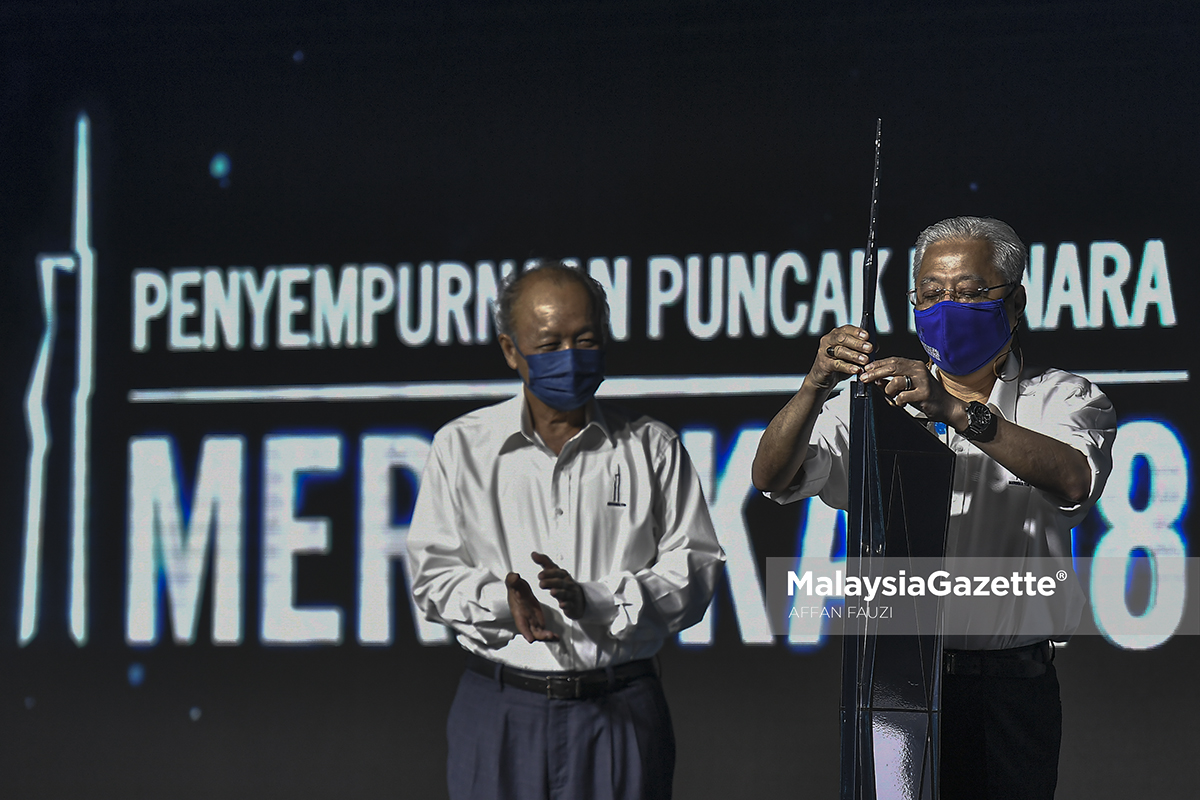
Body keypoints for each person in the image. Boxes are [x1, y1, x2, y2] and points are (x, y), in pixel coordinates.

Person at [752, 216, 1116, 799]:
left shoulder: (1063, 396)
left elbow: (1073, 479)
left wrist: (954, 410)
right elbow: (772, 475)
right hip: (895, 683)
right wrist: (815, 384)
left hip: (1009, 689)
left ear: (1015, 303)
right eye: (930, 294)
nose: (947, 307)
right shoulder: (876, 401)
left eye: (969, 293)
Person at [407, 260, 724, 800]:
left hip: (620, 705)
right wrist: (506, 603)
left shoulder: (652, 447)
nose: (570, 359)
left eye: (585, 340)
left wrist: (596, 601)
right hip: (500, 707)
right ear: (511, 350)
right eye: (549, 344)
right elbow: (432, 578)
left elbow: (694, 575)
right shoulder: (461, 447)